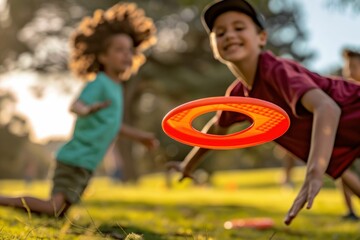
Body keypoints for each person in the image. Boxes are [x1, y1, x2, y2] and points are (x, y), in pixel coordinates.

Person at [167, 0, 360, 226]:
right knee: (336, 169)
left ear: (262, 38)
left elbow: (326, 108)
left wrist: (314, 171)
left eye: (239, 28)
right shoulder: (239, 96)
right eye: (220, 33)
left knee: (328, 166)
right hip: (349, 136)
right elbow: (215, 131)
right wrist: (187, 165)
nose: (229, 35)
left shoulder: (276, 70)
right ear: (214, 47)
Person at [0, 3, 158, 217]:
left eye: (130, 50)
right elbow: (75, 105)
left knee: (58, 211)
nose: (127, 55)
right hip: (75, 159)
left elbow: (113, 125)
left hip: (86, 163)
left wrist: (140, 137)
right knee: (54, 207)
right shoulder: (100, 82)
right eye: (119, 50)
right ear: (103, 57)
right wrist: (87, 109)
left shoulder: (116, 87)